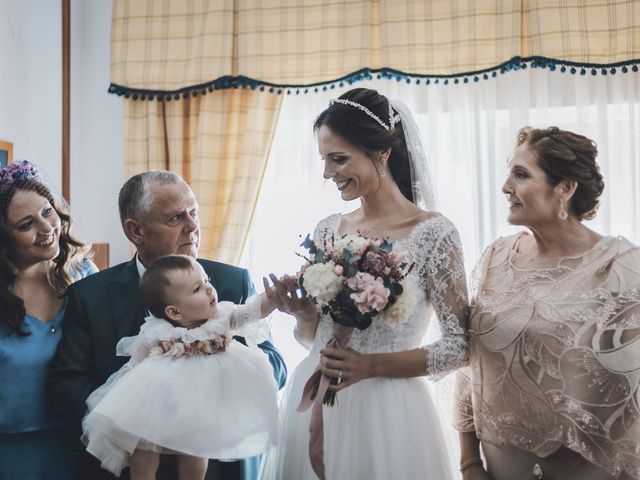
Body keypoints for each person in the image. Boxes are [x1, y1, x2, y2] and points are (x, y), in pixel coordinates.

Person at [260, 88, 470, 480]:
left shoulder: (433, 234)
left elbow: (460, 347)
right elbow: (315, 339)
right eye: (324, 161)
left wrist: (370, 366)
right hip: (316, 397)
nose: (327, 174)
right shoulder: (327, 230)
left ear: (382, 152)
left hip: (388, 410)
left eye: (338, 159)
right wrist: (304, 315)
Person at [48, 171, 287, 480]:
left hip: (215, 467)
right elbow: (67, 384)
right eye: (175, 218)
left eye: (194, 212)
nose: (193, 226)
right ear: (136, 232)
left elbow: (276, 368)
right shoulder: (90, 295)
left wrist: (223, 370)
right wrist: (134, 421)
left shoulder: (230, 282)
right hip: (126, 468)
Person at [454, 127, 640, 480]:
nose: (505, 187)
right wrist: (469, 462)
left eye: (521, 175)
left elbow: (634, 390)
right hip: (498, 468)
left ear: (565, 189)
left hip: (588, 471)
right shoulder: (496, 258)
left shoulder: (624, 267)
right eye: (509, 173)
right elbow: (470, 361)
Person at [82, 254, 279, 479]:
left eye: (207, 281)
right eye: (197, 289)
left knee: (196, 450)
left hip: (201, 401)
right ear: (174, 312)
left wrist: (272, 298)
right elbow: (137, 361)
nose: (208, 289)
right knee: (144, 446)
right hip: (160, 399)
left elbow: (252, 311)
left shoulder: (222, 317)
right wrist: (124, 391)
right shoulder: (158, 330)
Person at [0, 160, 96, 479]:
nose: (46, 228)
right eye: (26, 224)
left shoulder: (85, 276)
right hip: (13, 457)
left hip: (86, 446)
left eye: (47, 211)